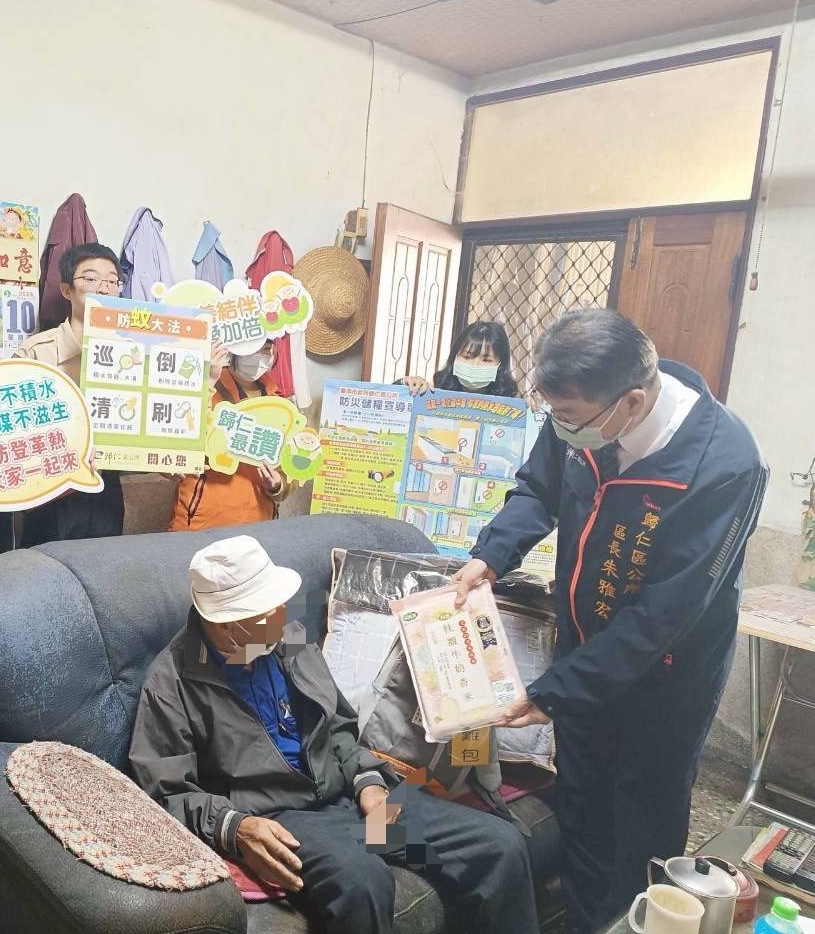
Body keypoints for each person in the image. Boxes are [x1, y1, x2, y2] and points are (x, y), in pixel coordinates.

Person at [452, 309, 767, 934]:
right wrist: (490, 556)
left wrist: (554, 692)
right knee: (582, 797)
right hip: (584, 644)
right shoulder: (581, 414)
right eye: (553, 413)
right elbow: (538, 490)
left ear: (632, 403)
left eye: (569, 417)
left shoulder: (725, 463)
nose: (560, 427)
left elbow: (666, 614)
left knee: (644, 815)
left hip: (667, 672)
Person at [130, 536, 539, 934]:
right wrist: (236, 827)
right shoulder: (171, 683)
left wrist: (370, 783)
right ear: (223, 623)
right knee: (363, 882)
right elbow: (165, 795)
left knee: (496, 845)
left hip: (353, 801)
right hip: (284, 816)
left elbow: (339, 726)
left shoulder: (287, 639)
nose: (280, 618)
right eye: (263, 614)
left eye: (278, 606)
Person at [7, 242, 125, 547]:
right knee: (45, 570)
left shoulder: (133, 352)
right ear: (66, 290)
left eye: (112, 280)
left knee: (104, 569)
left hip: (107, 486)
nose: (104, 287)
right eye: (91, 278)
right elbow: (13, 430)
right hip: (52, 488)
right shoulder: (36, 353)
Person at [169, 340, 289, 531]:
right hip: (202, 520)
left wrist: (277, 485)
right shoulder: (208, 385)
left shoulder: (279, 404)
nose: (260, 355)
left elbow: (287, 471)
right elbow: (180, 431)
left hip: (258, 524)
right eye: (254, 348)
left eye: (266, 348)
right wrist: (207, 381)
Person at [399, 320, 518, 397]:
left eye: (486, 360)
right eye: (467, 357)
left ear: (500, 365)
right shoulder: (434, 392)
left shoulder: (510, 406)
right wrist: (405, 384)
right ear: (455, 357)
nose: (475, 365)